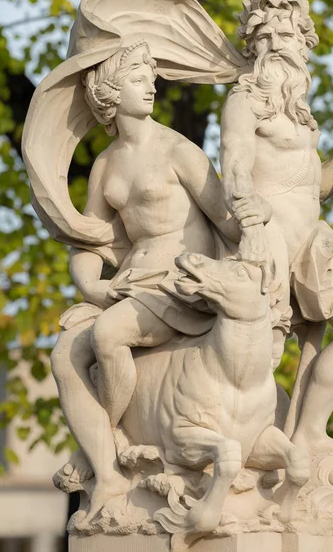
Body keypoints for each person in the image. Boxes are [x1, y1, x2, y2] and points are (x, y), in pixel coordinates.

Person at [51, 40, 259, 522]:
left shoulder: (176, 148)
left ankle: (109, 443)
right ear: (108, 93)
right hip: (130, 282)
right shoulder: (104, 166)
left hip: (179, 282)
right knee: (65, 355)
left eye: (150, 78)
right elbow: (89, 244)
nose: (152, 86)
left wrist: (262, 217)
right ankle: (106, 469)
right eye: (138, 80)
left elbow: (227, 221)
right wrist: (94, 288)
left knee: (106, 334)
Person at [220, 0, 333, 455]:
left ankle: (308, 430)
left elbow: (313, 186)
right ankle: (247, 440)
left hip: (311, 240)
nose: (276, 47)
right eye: (265, 38)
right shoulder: (245, 100)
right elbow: (234, 158)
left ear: (304, 45)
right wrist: (248, 209)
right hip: (267, 234)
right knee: (261, 353)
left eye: (287, 36)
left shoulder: (300, 115)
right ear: (252, 48)